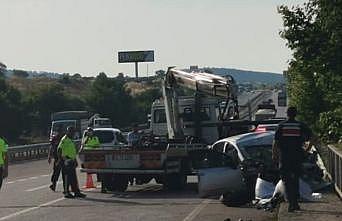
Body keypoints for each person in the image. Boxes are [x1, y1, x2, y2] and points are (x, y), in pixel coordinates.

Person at [272, 107, 313, 212]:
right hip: (297, 157)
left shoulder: (281, 126)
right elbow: (312, 138)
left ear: (287, 114)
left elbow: (275, 142)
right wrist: (307, 150)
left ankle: (291, 202)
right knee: (295, 180)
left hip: (285, 157)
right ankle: (295, 202)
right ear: (296, 114)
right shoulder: (300, 125)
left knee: (286, 180)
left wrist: (275, 155)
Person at [58, 126, 86, 198]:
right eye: (72, 132)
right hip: (66, 160)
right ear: (68, 132)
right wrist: (62, 160)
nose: (73, 134)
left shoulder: (71, 140)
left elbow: (72, 151)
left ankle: (76, 191)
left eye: (73, 132)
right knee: (67, 177)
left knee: (73, 177)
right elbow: (59, 150)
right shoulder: (65, 139)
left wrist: (75, 160)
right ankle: (66, 192)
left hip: (72, 160)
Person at [48, 127, 65, 192]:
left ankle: (66, 187)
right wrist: (49, 156)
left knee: (65, 173)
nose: (59, 133)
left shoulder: (64, 139)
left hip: (63, 158)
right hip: (57, 158)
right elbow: (51, 147)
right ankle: (53, 184)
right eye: (59, 132)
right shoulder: (55, 138)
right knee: (55, 172)